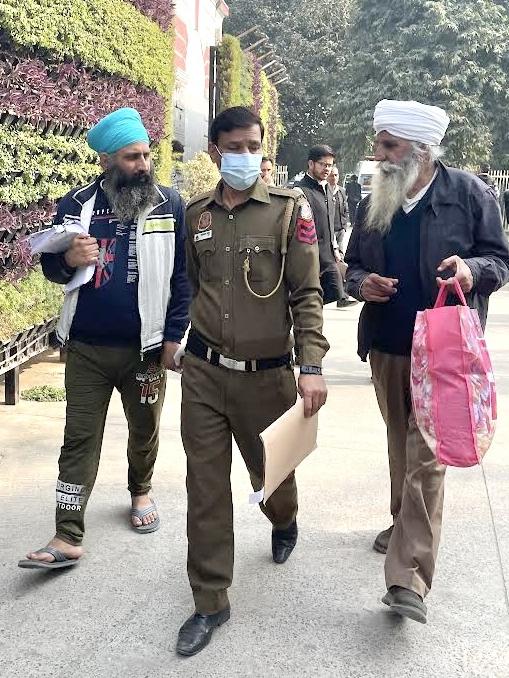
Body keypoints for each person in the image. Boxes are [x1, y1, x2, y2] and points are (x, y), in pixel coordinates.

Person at [345, 99, 509, 624]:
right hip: (388, 345)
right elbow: (350, 267)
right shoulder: (375, 198)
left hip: (444, 350)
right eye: (379, 144)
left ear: (421, 150)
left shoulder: (470, 193)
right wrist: (360, 285)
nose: (379, 155)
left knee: (428, 454)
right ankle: (402, 523)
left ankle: (407, 578)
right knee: (402, 443)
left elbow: (499, 260)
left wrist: (471, 270)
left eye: (388, 146)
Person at [176, 106, 329, 656]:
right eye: (236, 146)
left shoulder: (290, 211)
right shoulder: (196, 214)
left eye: (254, 145)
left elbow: (307, 295)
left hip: (268, 378)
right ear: (216, 151)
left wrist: (310, 366)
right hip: (205, 374)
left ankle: (283, 519)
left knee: (273, 479)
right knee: (206, 488)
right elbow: (191, 287)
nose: (247, 155)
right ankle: (209, 601)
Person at [18, 108, 190, 570]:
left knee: (145, 429)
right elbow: (53, 266)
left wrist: (175, 336)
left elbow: (183, 278)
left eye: (146, 155)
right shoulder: (75, 205)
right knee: (78, 438)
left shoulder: (169, 204)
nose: (143, 165)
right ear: (106, 162)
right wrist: (69, 258)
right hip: (87, 349)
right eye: (132, 157)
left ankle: (141, 491)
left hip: (146, 351)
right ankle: (67, 532)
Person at [295, 146, 357, 308]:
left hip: (328, 256)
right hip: (309, 258)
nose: (327, 169)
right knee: (308, 302)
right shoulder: (300, 191)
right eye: (323, 164)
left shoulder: (327, 190)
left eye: (329, 165)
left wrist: (335, 248)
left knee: (330, 294)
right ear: (311, 164)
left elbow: (328, 222)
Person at [327, 165, 349, 253]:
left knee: (341, 255)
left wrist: (344, 226)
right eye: (331, 175)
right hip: (329, 231)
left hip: (340, 229)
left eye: (336, 175)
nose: (334, 178)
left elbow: (345, 209)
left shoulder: (342, 191)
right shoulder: (324, 191)